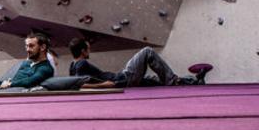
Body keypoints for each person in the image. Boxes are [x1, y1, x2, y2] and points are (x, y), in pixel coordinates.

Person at [68, 38, 207, 87]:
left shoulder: (73, 66)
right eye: (88, 49)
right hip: (122, 79)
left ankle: (194, 81)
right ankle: (174, 80)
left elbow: (75, 84)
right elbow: (82, 85)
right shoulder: (82, 64)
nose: (89, 51)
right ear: (82, 51)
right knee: (147, 51)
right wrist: (108, 85)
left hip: (122, 80)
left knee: (153, 80)